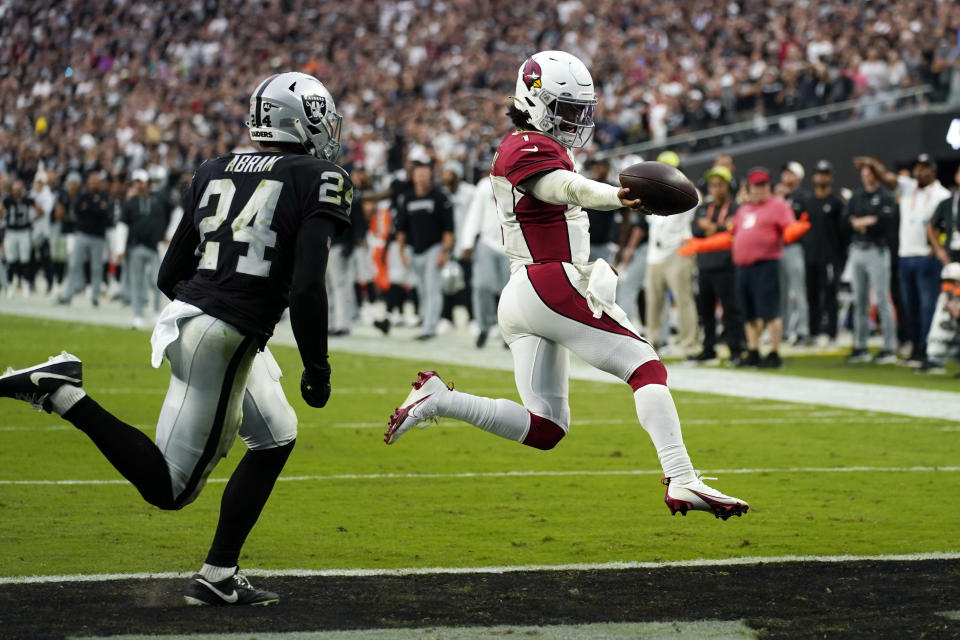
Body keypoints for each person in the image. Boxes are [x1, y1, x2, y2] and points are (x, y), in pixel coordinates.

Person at [0, 72, 352, 606]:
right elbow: (306, 287)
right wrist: (317, 367)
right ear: (298, 118)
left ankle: (219, 574)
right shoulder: (320, 175)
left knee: (276, 436)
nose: (328, 126)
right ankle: (61, 391)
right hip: (225, 331)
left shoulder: (214, 169)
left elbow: (169, 272)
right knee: (170, 489)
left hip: (198, 316)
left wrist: (220, 306)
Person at [383, 50, 748, 520]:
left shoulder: (533, 144)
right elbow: (563, 188)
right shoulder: (525, 145)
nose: (576, 120)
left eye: (581, 110)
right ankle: (682, 477)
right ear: (534, 100)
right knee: (646, 368)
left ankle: (443, 400)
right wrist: (616, 197)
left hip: (524, 294)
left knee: (546, 428)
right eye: (566, 109)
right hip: (548, 279)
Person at [857, 155, 951, 366]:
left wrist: (938, 249)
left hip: (927, 257)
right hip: (906, 255)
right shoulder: (908, 187)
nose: (920, 172)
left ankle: (930, 351)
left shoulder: (941, 194)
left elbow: (946, 227)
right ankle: (916, 349)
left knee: (928, 306)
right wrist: (873, 165)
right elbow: (886, 179)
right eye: (917, 168)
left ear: (933, 172)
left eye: (925, 168)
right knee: (910, 306)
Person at [730, 168, 796, 368]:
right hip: (743, 266)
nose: (760, 189)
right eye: (756, 185)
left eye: (764, 185)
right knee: (748, 312)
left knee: (769, 310)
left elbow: (790, 230)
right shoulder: (743, 209)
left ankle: (774, 352)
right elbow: (733, 233)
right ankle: (753, 350)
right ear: (749, 188)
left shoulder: (778, 206)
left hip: (766, 263)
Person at [393, 159, 455, 340]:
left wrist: (445, 251)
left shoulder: (440, 197)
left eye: (424, 174)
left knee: (432, 288)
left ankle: (429, 327)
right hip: (414, 250)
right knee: (421, 289)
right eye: (417, 174)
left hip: (434, 248)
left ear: (431, 177)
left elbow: (449, 228)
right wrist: (401, 251)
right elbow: (401, 228)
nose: (421, 178)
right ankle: (425, 321)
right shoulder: (407, 198)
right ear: (412, 177)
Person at [844, 161, 899, 363]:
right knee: (859, 300)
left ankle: (889, 347)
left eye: (870, 173)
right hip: (858, 249)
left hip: (877, 250)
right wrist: (866, 222)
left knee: (883, 299)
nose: (866, 176)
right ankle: (860, 346)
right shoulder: (857, 196)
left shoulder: (884, 195)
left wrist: (863, 223)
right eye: (864, 173)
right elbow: (846, 220)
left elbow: (884, 222)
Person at [644, 151, 698, 355]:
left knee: (683, 300)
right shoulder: (650, 192)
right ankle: (652, 344)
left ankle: (689, 345)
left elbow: (693, 202)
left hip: (678, 250)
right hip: (654, 254)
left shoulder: (689, 191)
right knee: (653, 303)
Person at [689, 165, 743, 364]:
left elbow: (732, 231)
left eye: (720, 185)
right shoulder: (703, 208)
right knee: (706, 311)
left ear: (728, 186)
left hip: (727, 265)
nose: (716, 189)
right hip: (705, 265)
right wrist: (720, 229)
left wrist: (712, 228)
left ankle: (735, 349)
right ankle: (708, 348)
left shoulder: (736, 208)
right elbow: (695, 229)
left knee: (731, 310)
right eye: (713, 185)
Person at [459, 172, 511, 348]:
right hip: (487, 242)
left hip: (512, 245)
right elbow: (475, 214)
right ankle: (484, 326)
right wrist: (467, 242)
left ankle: (508, 332)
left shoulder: (524, 182)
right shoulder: (484, 184)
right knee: (482, 286)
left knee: (510, 294)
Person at [118, 169, 173, 329]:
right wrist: (120, 248)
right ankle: (138, 315)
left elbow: (174, 214)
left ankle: (156, 311)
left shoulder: (160, 199)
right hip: (135, 246)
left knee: (158, 280)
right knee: (136, 282)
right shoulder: (130, 203)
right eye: (135, 182)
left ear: (147, 182)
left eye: (140, 181)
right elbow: (123, 225)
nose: (138, 185)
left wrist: (168, 233)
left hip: (156, 246)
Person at [802, 161, 846, 347]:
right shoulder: (808, 202)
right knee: (811, 296)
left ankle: (831, 334)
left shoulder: (836, 203)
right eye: (818, 174)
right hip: (810, 256)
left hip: (830, 257)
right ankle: (813, 332)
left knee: (830, 297)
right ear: (813, 177)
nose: (821, 177)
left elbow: (843, 232)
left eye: (825, 174)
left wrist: (840, 258)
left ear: (831, 178)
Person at [58, 171, 113, 307]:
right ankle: (67, 295)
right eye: (92, 181)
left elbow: (106, 215)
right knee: (74, 265)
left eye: (96, 182)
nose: (94, 184)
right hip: (82, 234)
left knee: (96, 268)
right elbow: (76, 210)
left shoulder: (105, 197)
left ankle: (95, 298)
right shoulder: (82, 196)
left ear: (100, 183)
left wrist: (89, 209)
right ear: (88, 183)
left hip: (98, 237)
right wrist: (96, 210)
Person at [776, 161, 812, 346]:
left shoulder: (803, 197)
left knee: (798, 291)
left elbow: (794, 222)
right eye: (785, 173)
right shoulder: (777, 197)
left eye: (790, 174)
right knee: (780, 292)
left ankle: (802, 331)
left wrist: (781, 201)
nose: (786, 177)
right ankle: (782, 331)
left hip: (794, 247)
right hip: (776, 248)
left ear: (798, 177)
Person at [0, 178, 44, 297]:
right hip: (11, 232)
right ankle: (11, 285)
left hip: (24, 231)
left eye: (19, 189)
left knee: (25, 260)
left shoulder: (28, 200)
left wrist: (32, 221)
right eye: (15, 189)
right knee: (11, 260)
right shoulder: (7, 200)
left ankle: (25, 285)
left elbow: (41, 211)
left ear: (22, 189)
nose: (17, 191)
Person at [921, 262, 960, 374]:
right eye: (945, 282)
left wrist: (955, 310)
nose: (947, 286)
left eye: (951, 282)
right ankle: (935, 360)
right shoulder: (944, 296)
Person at [927, 164, 960, 265]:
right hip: (951, 255)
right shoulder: (947, 203)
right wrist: (938, 250)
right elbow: (930, 226)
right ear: (957, 176)